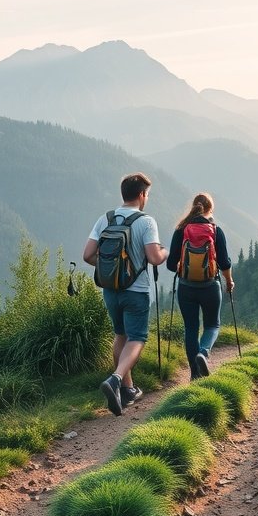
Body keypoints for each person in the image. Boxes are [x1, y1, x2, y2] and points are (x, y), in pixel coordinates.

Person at [83, 172, 168, 416]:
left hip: (110, 290)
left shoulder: (105, 219)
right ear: (142, 195)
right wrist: (165, 252)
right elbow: (153, 257)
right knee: (137, 338)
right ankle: (116, 379)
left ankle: (128, 389)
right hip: (136, 290)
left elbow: (87, 255)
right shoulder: (146, 221)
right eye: (147, 194)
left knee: (120, 335)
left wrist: (112, 269)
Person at [167, 192, 234, 380]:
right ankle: (203, 353)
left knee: (191, 328)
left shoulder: (181, 229)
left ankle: (195, 375)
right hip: (210, 286)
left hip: (186, 287)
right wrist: (229, 282)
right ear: (210, 209)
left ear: (193, 207)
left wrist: (184, 266)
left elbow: (171, 264)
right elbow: (224, 263)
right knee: (212, 325)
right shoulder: (215, 229)